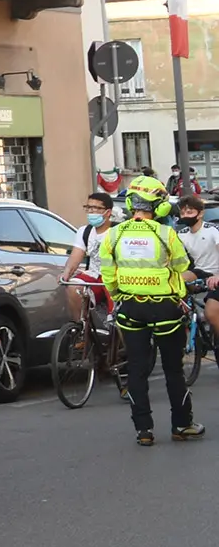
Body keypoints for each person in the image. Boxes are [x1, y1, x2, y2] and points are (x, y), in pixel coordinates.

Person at [99, 174, 205, 446]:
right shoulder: (165, 233)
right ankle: (182, 424)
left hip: (130, 309)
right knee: (172, 369)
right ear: (157, 204)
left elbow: (108, 275)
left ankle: (143, 430)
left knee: (136, 368)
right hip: (165, 310)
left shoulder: (114, 234)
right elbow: (182, 267)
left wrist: (121, 293)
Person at [62, 192, 118, 327]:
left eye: (96, 208)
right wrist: (66, 274)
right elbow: (76, 255)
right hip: (93, 275)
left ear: (108, 212)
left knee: (116, 319)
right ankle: (81, 328)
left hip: (114, 278)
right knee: (73, 287)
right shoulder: (84, 231)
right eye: (89, 207)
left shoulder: (118, 231)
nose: (91, 211)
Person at [174, 196, 219, 351]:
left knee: (211, 312)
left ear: (200, 214)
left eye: (190, 212)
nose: (186, 215)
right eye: (183, 212)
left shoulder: (212, 230)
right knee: (176, 281)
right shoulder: (181, 234)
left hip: (216, 274)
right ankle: (187, 317)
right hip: (200, 272)